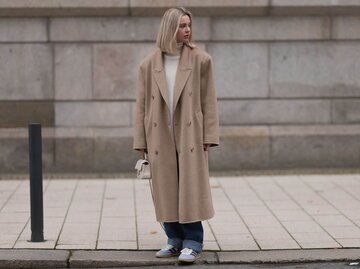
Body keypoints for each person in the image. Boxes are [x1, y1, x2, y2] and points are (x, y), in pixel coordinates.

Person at [133, 7, 219, 263]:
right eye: (182, 25)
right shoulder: (148, 64)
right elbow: (141, 106)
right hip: (159, 135)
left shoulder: (201, 60)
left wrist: (209, 136)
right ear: (170, 28)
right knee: (165, 187)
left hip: (190, 134)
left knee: (190, 186)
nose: (187, 30)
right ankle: (174, 239)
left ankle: (193, 241)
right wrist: (140, 140)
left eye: (189, 25)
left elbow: (209, 101)